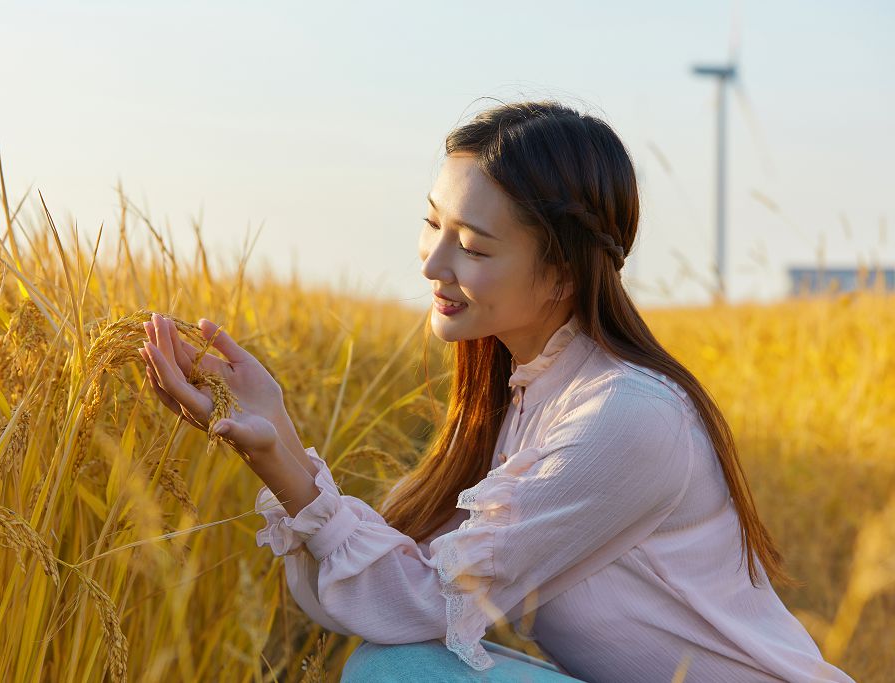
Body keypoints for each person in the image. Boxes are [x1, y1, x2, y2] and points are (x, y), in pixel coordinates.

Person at [138, 99, 856, 682]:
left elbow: (417, 603)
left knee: (399, 674)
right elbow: (400, 591)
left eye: (474, 247)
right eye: (432, 224)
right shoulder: (525, 399)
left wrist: (282, 458)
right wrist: (275, 433)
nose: (434, 263)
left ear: (563, 274)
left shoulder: (626, 415)